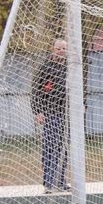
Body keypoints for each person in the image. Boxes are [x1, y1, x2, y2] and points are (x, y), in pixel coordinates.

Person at [31, 39, 68, 194]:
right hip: (50, 114)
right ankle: (48, 183)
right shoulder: (45, 67)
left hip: (67, 115)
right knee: (50, 147)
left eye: (63, 48)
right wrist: (38, 111)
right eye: (58, 48)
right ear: (52, 49)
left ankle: (60, 181)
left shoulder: (70, 67)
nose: (61, 51)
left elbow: (80, 87)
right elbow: (35, 92)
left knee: (63, 149)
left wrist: (82, 104)